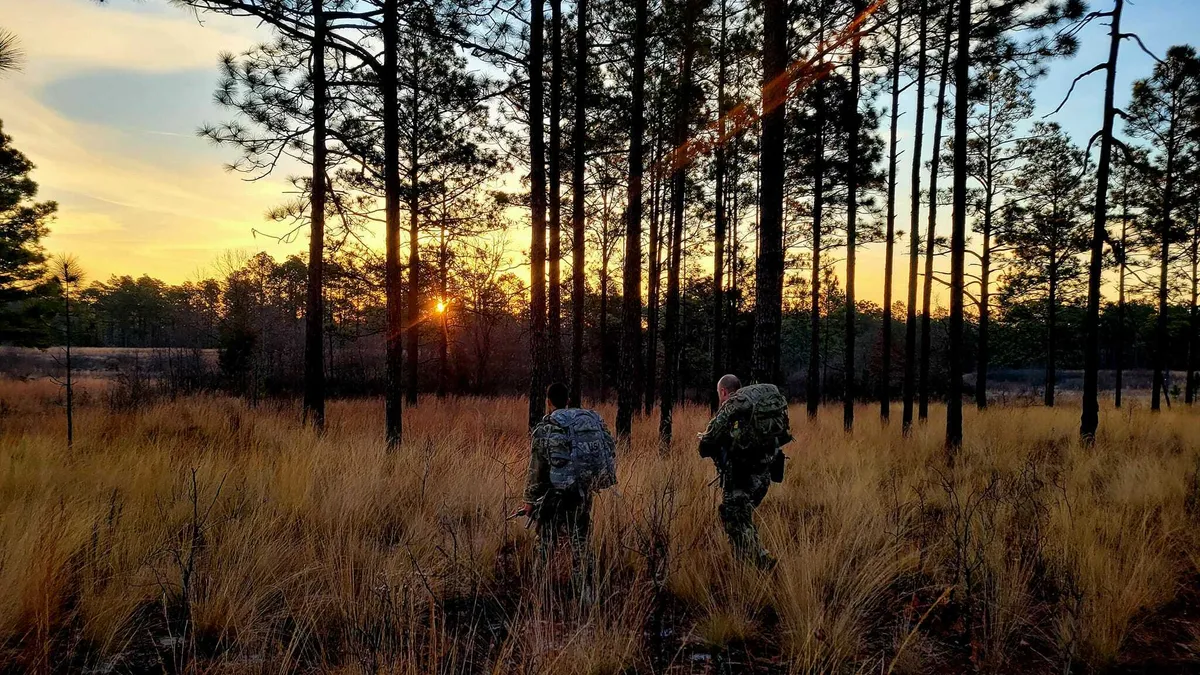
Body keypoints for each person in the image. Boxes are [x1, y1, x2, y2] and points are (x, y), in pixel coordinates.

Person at [521, 382, 617, 580]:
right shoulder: (586, 421)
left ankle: (540, 588)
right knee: (580, 538)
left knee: (546, 539)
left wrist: (530, 501)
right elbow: (610, 448)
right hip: (584, 490)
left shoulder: (548, 427)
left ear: (548, 402)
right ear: (567, 401)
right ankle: (584, 589)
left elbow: (537, 470)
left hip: (557, 494)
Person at [697, 374, 791, 569]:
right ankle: (751, 562)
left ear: (723, 391)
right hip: (763, 475)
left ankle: (756, 565)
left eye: (718, 393)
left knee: (734, 519)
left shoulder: (732, 407)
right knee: (741, 517)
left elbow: (708, 441)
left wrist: (707, 444)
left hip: (741, 477)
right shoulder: (756, 406)